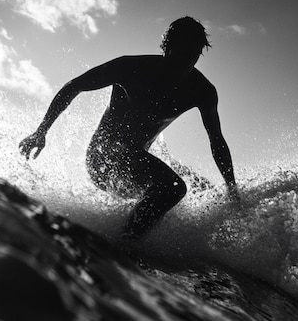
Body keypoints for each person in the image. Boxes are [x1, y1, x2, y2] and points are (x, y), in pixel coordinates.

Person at [19, 16, 238, 238]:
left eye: (194, 54)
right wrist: (41, 131)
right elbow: (74, 86)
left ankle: (132, 239)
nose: (187, 62)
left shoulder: (201, 90)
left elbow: (216, 140)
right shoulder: (131, 68)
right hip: (102, 157)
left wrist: (232, 190)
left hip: (134, 163)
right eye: (182, 52)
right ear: (167, 46)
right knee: (173, 187)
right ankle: (125, 243)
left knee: (197, 184)